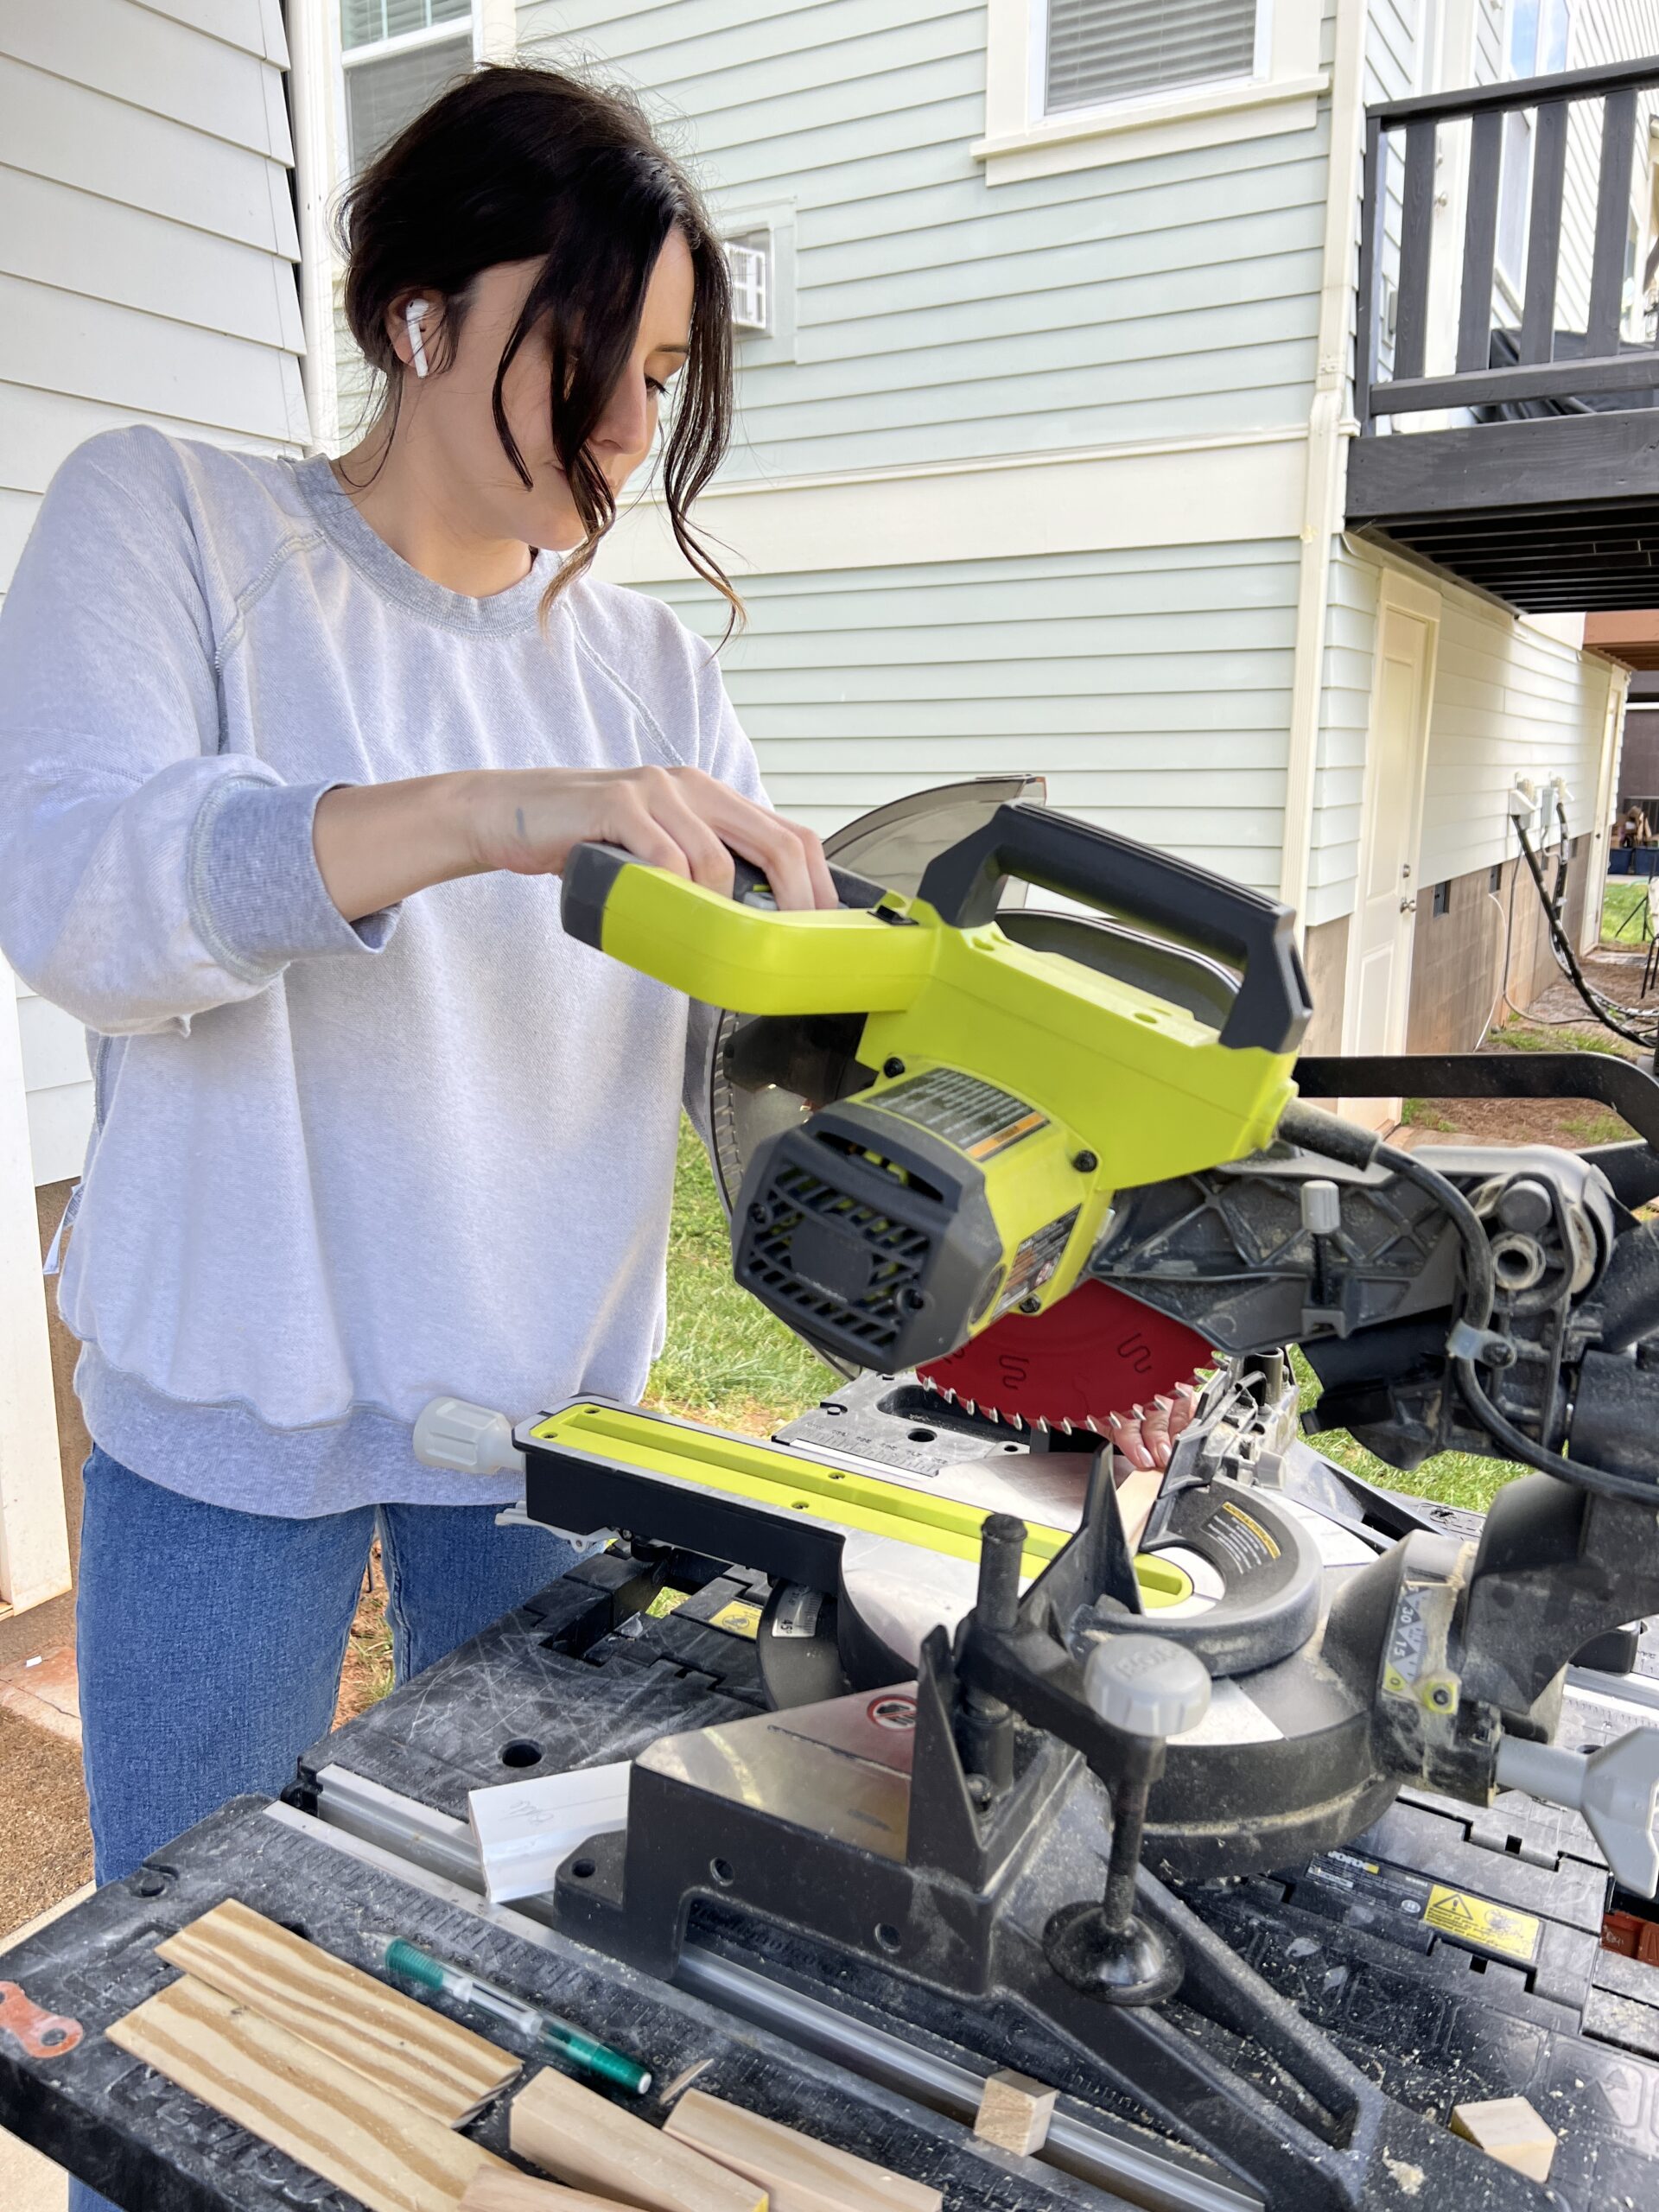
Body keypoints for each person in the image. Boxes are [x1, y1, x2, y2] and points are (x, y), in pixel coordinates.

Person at [0, 57, 833, 2110]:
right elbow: (89, 902)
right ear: (421, 315)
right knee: (172, 2034)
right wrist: (496, 812)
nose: (635, 432)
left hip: (545, 1434)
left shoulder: (655, 674)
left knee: (530, 2028)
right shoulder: (171, 521)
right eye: (594, 358)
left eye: (664, 377)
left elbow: (741, 1042)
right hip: (227, 1426)